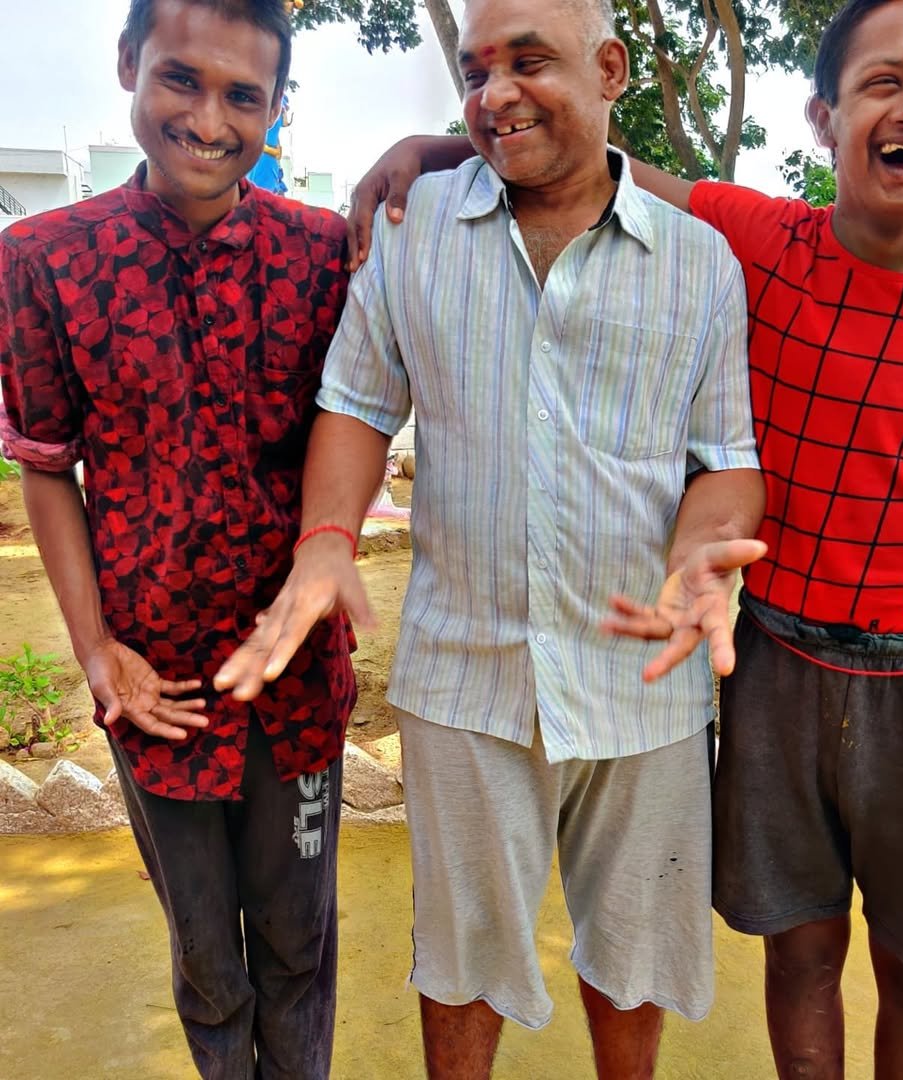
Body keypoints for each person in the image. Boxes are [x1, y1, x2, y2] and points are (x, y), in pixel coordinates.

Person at [343, 1, 903, 1077]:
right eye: (882, 81)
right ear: (825, 116)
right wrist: (444, 143)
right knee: (799, 953)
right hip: (777, 661)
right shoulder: (764, 241)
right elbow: (585, 156)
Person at [215, 0, 765, 1076]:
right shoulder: (413, 227)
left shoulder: (700, 262)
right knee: (461, 962)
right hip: (466, 673)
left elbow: (727, 455)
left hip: (643, 677)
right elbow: (357, 402)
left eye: (529, 62)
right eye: (475, 71)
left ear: (611, 69)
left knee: (635, 961)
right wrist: (325, 538)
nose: (494, 93)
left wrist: (703, 553)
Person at [0, 2, 356, 1077]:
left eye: (244, 95)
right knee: (208, 963)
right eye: (180, 80)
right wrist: (95, 651)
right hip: (151, 686)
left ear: (277, 107)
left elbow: (355, 423)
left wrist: (419, 151)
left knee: (297, 949)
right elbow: (46, 463)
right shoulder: (42, 258)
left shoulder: (323, 253)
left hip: (294, 677)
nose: (208, 120)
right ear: (129, 65)